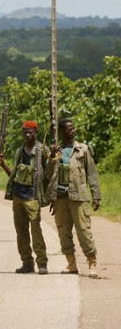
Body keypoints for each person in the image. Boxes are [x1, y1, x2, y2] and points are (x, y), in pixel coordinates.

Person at [46, 118, 102, 278]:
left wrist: (96, 195)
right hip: (60, 197)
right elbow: (48, 175)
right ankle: (71, 263)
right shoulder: (56, 151)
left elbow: (92, 173)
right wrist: (51, 156)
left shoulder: (83, 149)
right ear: (62, 132)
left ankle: (92, 262)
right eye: (69, 129)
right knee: (63, 231)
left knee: (83, 231)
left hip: (78, 197)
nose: (73, 131)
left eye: (73, 128)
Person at [0, 121, 49, 274]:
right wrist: (2, 164)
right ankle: (27, 263)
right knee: (21, 232)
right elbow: (13, 175)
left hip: (32, 197)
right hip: (18, 196)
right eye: (25, 132)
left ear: (35, 133)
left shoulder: (42, 151)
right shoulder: (20, 152)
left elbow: (51, 173)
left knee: (36, 231)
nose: (28, 135)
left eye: (30, 132)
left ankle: (42, 263)